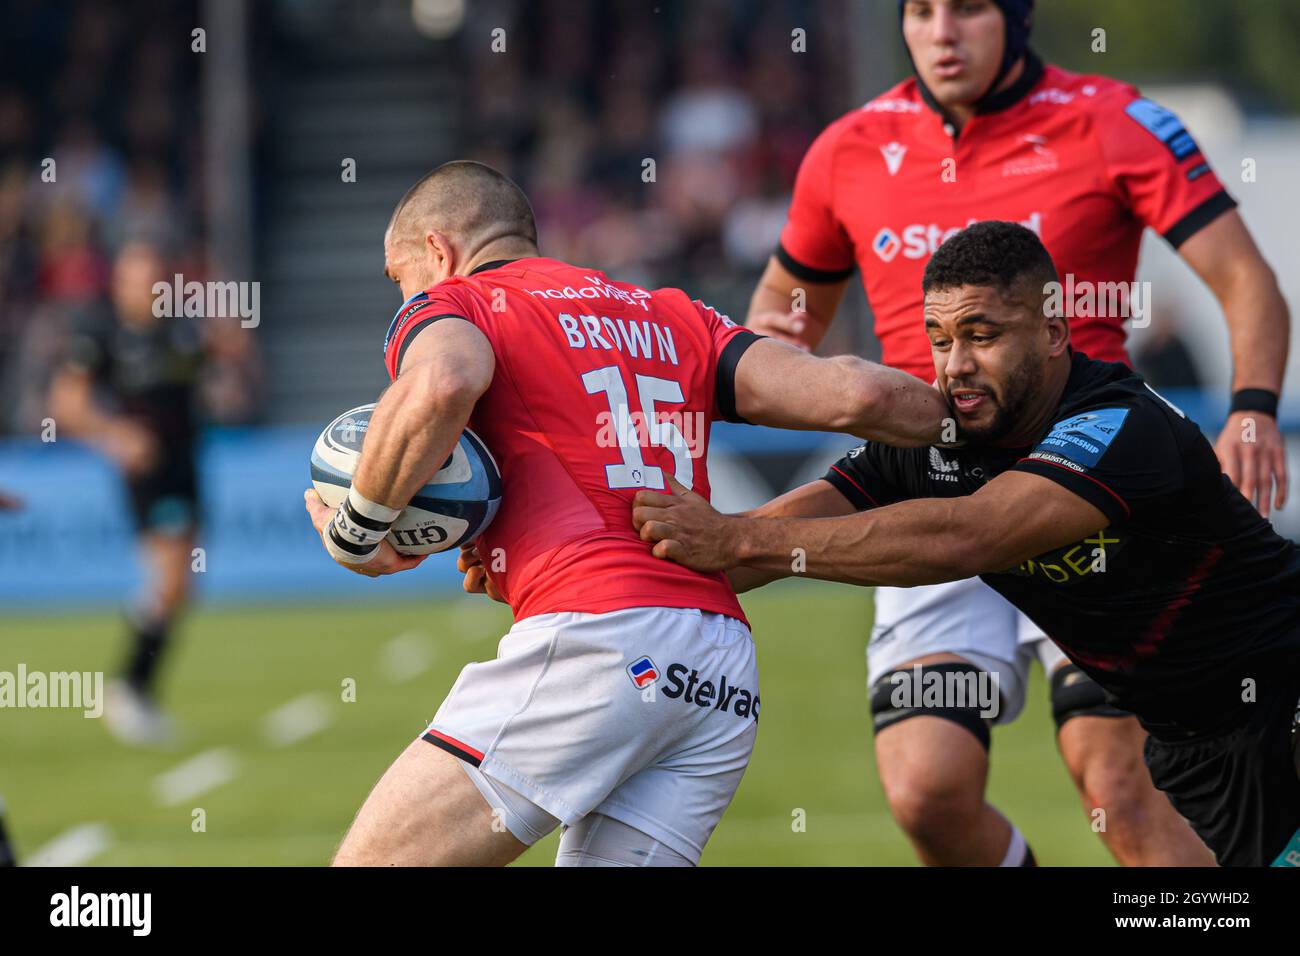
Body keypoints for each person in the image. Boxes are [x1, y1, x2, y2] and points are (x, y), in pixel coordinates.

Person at [745, 0, 1290, 866]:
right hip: (937, 483)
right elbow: (781, 320)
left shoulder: (1115, 120)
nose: (941, 33)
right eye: (920, 11)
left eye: (967, 9)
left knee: (1119, 789)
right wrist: (794, 369)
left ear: (1019, 18)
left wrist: (1254, 406)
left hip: (1082, 498)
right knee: (926, 792)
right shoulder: (846, 147)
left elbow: (1244, 276)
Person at [301, 160, 949, 867]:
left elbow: (445, 379)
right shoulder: (674, 315)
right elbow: (859, 397)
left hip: (599, 642)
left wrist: (357, 530)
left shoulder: (456, 303)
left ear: (437, 252)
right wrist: (988, 419)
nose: (407, 297)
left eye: (402, 278)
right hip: (718, 669)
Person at [635, 221, 1300, 868]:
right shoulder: (941, 440)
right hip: (1204, 751)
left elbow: (968, 536)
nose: (956, 366)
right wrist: (610, 569)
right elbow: (754, 542)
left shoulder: (1118, 423)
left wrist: (733, 537)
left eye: (982, 336)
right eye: (941, 338)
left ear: (1052, 333)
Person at [48, 240, 205, 747]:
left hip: (187, 465)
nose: (151, 290)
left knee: (177, 587)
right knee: (172, 577)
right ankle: (128, 690)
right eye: (140, 281)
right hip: (148, 474)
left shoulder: (181, 331)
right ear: (119, 284)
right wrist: (114, 434)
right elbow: (66, 403)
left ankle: (135, 691)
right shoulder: (102, 335)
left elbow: (211, 377)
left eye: (157, 280)